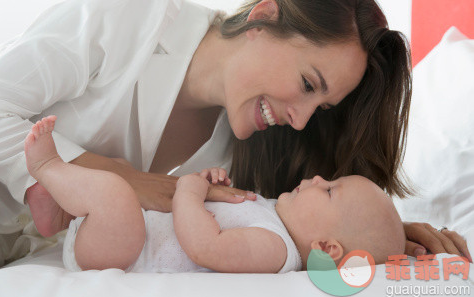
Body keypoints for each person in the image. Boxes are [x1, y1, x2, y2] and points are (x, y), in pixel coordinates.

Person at [0, 0, 470, 274]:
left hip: (13, 245)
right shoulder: (137, 8)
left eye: (322, 109)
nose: (300, 121)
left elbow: (292, 219)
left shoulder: (243, 148)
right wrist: (130, 182)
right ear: (262, 18)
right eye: (309, 85)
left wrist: (379, 232)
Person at [26, 115, 405, 272]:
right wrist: (212, 185)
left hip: (124, 254)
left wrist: (189, 192)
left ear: (327, 247)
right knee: (119, 188)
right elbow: (223, 214)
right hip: (123, 236)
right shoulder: (275, 214)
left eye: (329, 191)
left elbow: (206, 246)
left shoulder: (277, 251)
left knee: (115, 195)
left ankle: (48, 168)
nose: (319, 178)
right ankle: (62, 215)